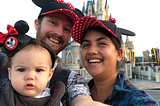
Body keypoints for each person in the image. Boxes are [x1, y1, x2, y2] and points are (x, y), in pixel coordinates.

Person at [32, 0, 111, 106]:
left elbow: (82, 99)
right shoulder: (4, 63)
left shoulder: (71, 79)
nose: (59, 33)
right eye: (53, 22)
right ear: (37, 24)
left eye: (66, 29)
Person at [71, 16, 159, 106]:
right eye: (86, 45)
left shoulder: (140, 101)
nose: (91, 51)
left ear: (119, 54)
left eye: (102, 43)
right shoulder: (73, 93)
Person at [0, 20, 65, 106]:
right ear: (10, 73)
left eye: (38, 70)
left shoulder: (55, 100)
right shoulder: (3, 98)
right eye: (21, 70)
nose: (30, 76)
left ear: (49, 75)